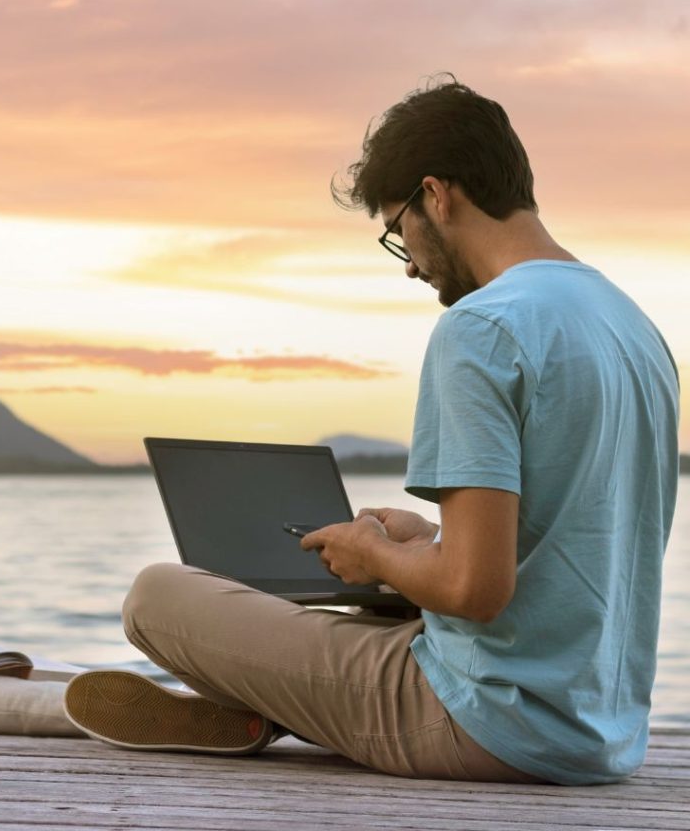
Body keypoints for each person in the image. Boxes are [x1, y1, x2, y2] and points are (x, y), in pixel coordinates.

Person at [63, 77, 680, 784]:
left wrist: (372, 554)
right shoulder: (633, 327)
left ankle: (264, 703)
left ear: (436, 196)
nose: (411, 263)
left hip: (484, 720)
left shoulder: (481, 328)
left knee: (157, 597)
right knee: (364, 615)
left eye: (398, 232)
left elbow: (478, 591)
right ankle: (269, 700)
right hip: (600, 729)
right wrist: (429, 543)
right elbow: (580, 543)